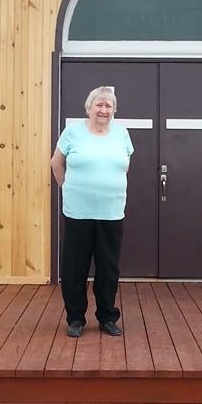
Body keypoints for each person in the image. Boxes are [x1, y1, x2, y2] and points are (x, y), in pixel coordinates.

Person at [51, 86, 134, 338]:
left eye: (109, 105)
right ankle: (76, 318)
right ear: (89, 107)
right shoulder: (73, 132)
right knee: (75, 268)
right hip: (78, 212)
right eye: (99, 104)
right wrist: (71, 189)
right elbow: (56, 163)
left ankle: (107, 317)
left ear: (114, 111)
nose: (104, 109)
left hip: (111, 212)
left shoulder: (121, 134)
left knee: (108, 268)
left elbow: (124, 167)